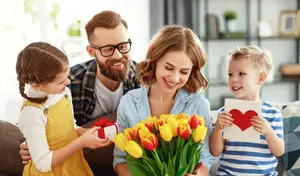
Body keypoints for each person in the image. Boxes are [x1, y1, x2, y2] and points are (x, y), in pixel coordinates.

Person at [19, 10, 140, 165]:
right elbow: (37, 117)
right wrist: (29, 144)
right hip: (81, 161)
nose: (117, 55)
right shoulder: (70, 81)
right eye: (108, 49)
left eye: (123, 46)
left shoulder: (143, 79)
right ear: (91, 51)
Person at [113, 24, 214, 176]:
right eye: (168, 67)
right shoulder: (129, 103)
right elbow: (120, 160)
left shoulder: (198, 105)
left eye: (184, 72)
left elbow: (205, 158)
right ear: (155, 60)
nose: (174, 78)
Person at [16, 42, 112, 175]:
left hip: (74, 165)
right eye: (61, 81)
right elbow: (43, 163)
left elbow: (70, 126)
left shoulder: (63, 92)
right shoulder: (32, 113)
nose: (68, 82)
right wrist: (81, 143)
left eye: (67, 77)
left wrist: (84, 132)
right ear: (37, 85)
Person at [210, 45, 285, 175]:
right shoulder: (224, 113)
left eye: (241, 74)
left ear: (260, 78)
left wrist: (267, 131)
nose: (233, 79)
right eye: (230, 74)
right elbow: (215, 151)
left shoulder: (272, 114)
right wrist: (218, 128)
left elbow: (279, 151)